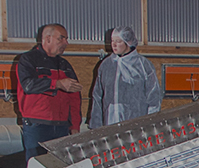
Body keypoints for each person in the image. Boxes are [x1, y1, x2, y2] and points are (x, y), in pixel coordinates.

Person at [13, 24, 82, 159]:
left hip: (61, 127)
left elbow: (74, 98)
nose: (66, 43)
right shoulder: (28, 60)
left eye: (66, 39)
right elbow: (28, 85)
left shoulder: (65, 66)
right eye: (61, 39)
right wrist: (57, 84)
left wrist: (75, 126)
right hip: (37, 126)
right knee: (37, 166)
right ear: (48, 38)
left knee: (60, 166)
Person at [90, 27, 163, 128]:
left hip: (136, 125)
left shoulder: (143, 65)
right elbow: (98, 96)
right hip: (110, 124)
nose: (114, 45)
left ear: (128, 42)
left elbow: (154, 96)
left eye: (118, 41)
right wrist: (96, 125)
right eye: (112, 41)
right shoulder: (106, 65)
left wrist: (150, 123)